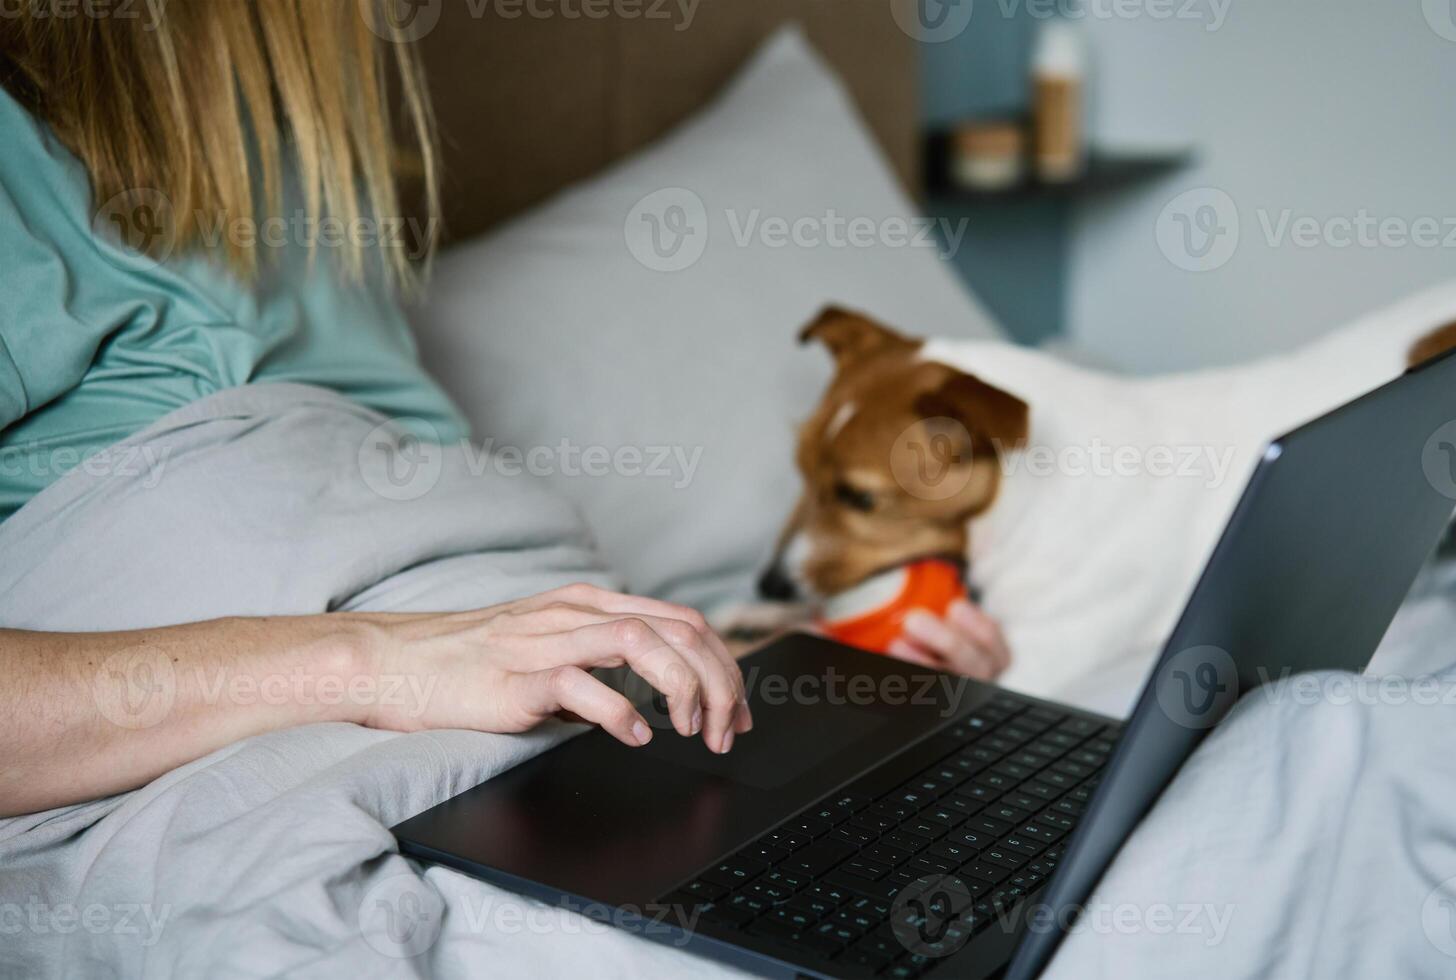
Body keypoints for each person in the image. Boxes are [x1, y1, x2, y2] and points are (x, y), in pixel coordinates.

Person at [0, 2, 1010, 819]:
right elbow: (430, 638)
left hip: (590, 733)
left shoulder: (307, 148)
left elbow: (485, 605)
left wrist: (782, 671)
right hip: (332, 762)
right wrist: (377, 658)